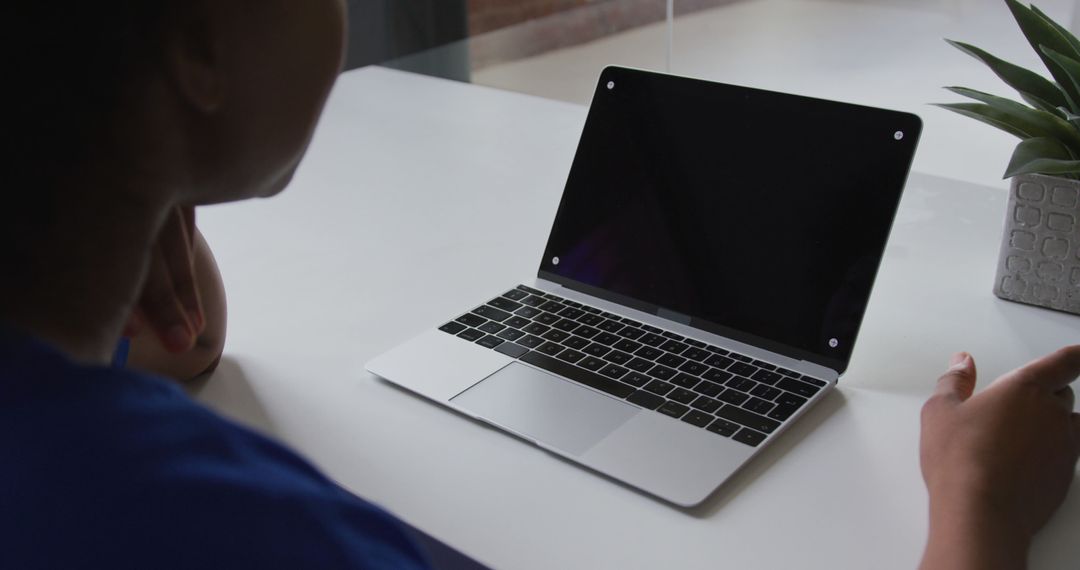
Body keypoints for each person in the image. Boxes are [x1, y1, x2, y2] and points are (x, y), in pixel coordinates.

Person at [1, 2, 1076, 569]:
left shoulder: (52, 288)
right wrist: (976, 508)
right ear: (197, 49)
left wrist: (140, 190)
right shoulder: (247, 537)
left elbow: (184, 342)